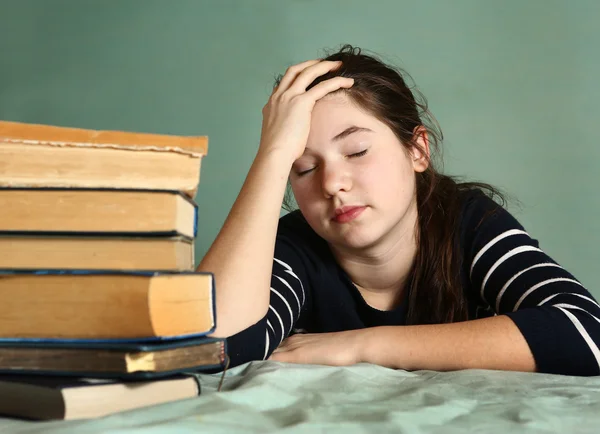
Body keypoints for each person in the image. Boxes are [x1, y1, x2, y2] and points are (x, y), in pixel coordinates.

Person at [197, 45, 600, 376]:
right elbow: (208, 343)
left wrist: (362, 345)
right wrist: (272, 153)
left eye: (357, 151)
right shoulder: (294, 246)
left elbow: (586, 332)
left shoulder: (467, 221)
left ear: (417, 150)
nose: (332, 183)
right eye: (303, 167)